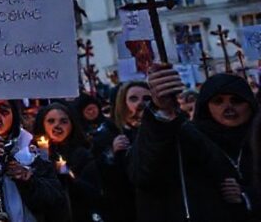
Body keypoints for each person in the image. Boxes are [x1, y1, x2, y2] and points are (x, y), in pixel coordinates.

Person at [130, 66, 258, 221]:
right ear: (206, 107)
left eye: (236, 100)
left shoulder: (256, 137)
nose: (228, 107)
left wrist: (249, 196)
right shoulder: (189, 139)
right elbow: (147, 170)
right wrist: (160, 111)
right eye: (218, 101)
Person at [91, 81, 150, 222]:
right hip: (124, 209)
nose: (140, 104)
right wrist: (111, 154)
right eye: (133, 99)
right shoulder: (107, 133)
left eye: (146, 99)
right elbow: (99, 176)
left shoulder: (158, 131)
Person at [34, 102, 101, 222]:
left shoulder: (82, 155)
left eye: (63, 121)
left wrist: (68, 176)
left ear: (72, 125)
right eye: (51, 121)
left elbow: (93, 193)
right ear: (43, 125)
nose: (57, 126)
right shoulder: (33, 155)